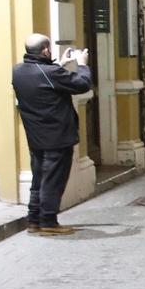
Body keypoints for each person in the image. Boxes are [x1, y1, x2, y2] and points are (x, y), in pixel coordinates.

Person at [11, 34, 92, 236]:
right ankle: (48, 222)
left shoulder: (18, 71)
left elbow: (44, 84)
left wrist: (59, 65)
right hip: (57, 136)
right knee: (53, 180)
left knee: (38, 178)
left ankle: (33, 220)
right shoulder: (51, 72)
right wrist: (82, 65)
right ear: (46, 51)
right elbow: (82, 84)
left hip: (35, 136)